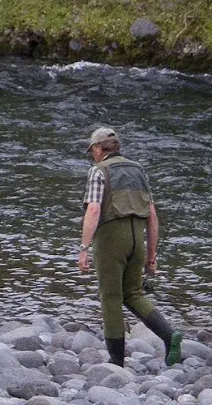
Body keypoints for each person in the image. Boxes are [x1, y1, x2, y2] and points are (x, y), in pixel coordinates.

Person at [78, 126, 184, 367]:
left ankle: (116, 362)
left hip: (111, 240)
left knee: (111, 297)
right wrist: (152, 255)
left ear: (98, 148)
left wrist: (84, 248)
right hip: (138, 239)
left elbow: (93, 210)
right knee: (133, 293)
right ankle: (169, 335)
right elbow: (152, 215)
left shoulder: (98, 171)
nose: (92, 155)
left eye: (92, 150)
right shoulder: (138, 170)